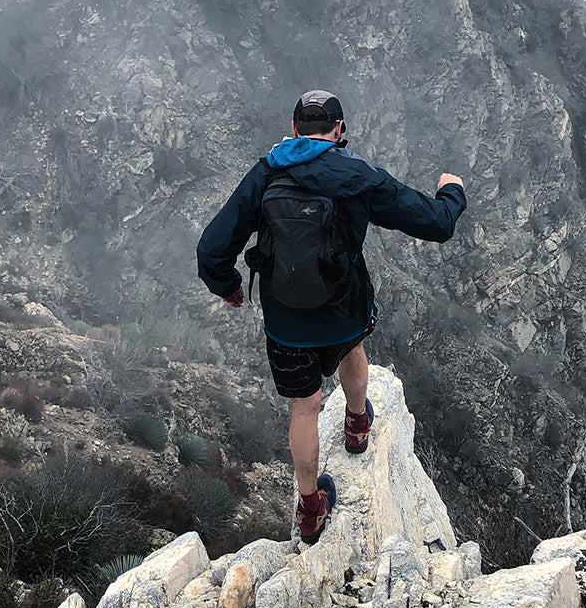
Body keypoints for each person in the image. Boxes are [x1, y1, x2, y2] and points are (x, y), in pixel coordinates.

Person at [197, 89, 467, 545]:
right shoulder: (355, 174)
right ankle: (358, 425)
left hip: (286, 323)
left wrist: (229, 287)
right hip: (344, 311)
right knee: (352, 348)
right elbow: (435, 223)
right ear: (339, 130)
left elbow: (212, 247)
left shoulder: (265, 174)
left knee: (304, 408)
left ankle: (309, 509)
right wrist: (451, 191)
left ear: (294, 126)